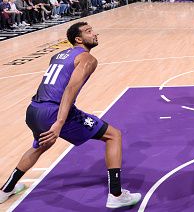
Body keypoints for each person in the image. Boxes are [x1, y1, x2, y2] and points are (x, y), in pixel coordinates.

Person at [0, 22, 142, 208]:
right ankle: (116, 194)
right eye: (89, 32)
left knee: (40, 146)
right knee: (113, 135)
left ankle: (6, 189)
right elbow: (70, 89)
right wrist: (59, 122)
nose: (95, 33)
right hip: (54, 112)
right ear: (78, 39)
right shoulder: (87, 59)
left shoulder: (57, 55)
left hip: (34, 109)